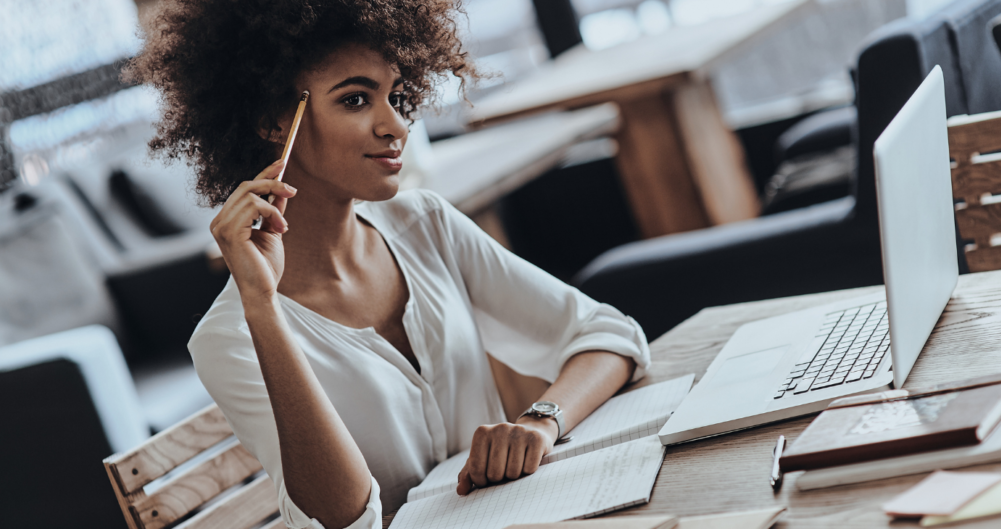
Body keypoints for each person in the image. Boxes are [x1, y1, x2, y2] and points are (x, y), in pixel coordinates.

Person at [127, 1, 650, 528]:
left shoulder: (425, 224)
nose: (395, 125)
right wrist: (263, 308)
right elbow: (342, 520)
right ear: (272, 120)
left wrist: (540, 423)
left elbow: (609, 335)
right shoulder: (232, 338)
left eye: (396, 97)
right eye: (356, 100)